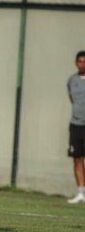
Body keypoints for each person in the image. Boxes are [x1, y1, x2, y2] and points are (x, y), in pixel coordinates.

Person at [67, 50, 85, 204]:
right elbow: (72, 98)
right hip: (76, 125)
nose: (82, 64)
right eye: (80, 61)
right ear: (76, 63)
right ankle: (81, 192)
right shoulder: (72, 80)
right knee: (77, 159)